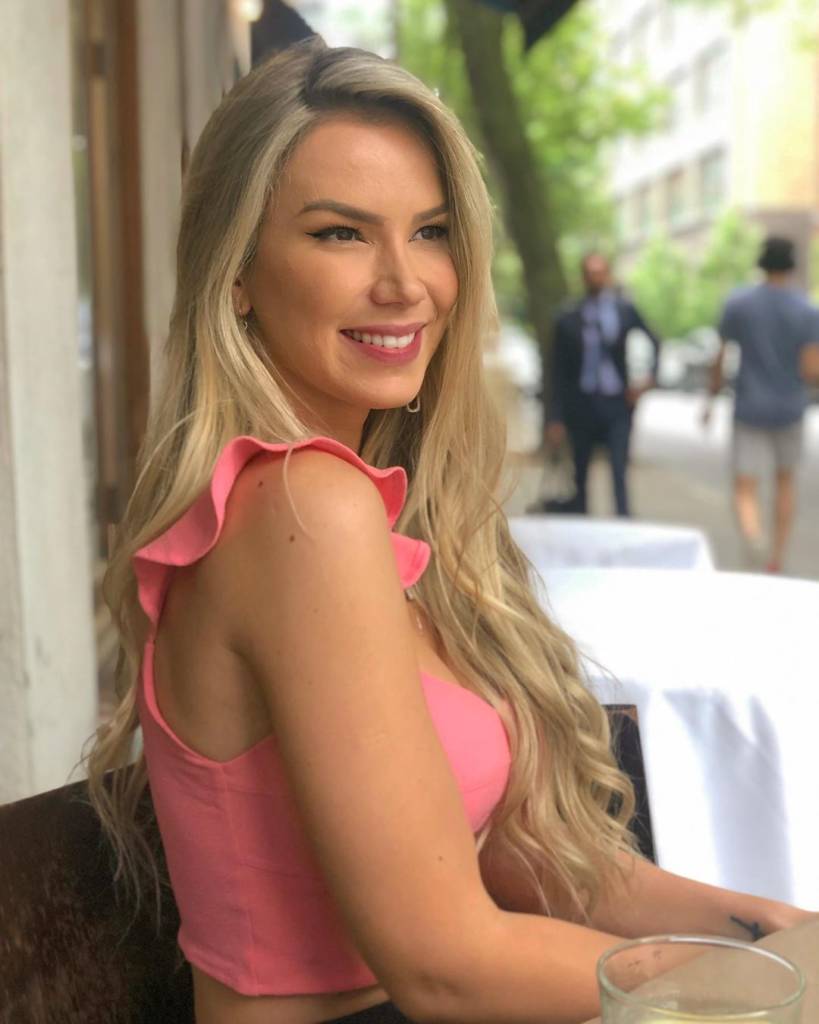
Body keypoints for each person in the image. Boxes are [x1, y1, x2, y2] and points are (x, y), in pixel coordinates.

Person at [86, 40, 813, 1024]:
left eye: (430, 232)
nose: (406, 282)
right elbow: (445, 966)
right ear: (238, 269)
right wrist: (757, 987)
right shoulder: (299, 508)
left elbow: (535, 862)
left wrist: (778, 932)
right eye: (341, 234)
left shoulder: (379, 514)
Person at [705, 236, 819, 573]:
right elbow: (811, 369)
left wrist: (710, 397)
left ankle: (754, 537)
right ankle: (776, 557)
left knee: (745, 484)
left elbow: (720, 355)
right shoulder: (807, 310)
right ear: (792, 265)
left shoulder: (739, 303)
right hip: (790, 408)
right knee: (785, 481)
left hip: (750, 406)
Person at [544, 253, 661, 517]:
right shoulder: (568, 317)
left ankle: (623, 522)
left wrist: (648, 380)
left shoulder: (624, 310)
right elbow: (557, 372)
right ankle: (582, 522)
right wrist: (555, 418)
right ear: (583, 277)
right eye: (589, 273)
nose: (595, 278)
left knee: (619, 470)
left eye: (599, 272)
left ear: (607, 275)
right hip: (581, 404)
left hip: (617, 403)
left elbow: (655, 340)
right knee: (580, 473)